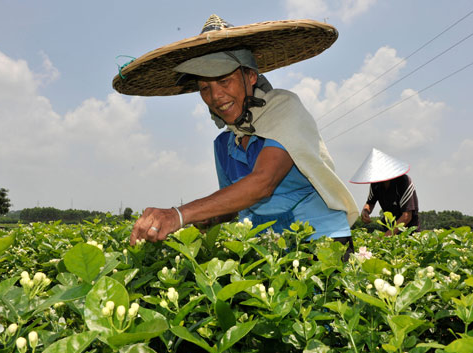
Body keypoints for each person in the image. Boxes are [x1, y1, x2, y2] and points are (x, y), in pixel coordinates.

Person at [112, 15, 359, 249]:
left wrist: (178, 214)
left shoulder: (284, 108)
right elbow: (232, 202)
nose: (215, 97)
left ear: (250, 76)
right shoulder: (224, 144)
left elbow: (263, 183)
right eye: (204, 88)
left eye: (224, 81)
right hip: (267, 247)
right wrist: (207, 218)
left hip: (319, 241)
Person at [349, 148, 419, 235]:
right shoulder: (376, 184)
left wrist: (386, 237)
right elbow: (370, 202)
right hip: (389, 227)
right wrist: (365, 211)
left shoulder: (403, 181)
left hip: (408, 231)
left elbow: (406, 216)